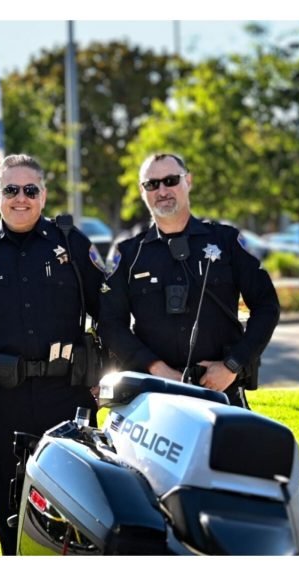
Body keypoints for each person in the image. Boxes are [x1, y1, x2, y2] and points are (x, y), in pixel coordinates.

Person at [0, 153, 106, 554]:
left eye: (30, 190)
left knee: (76, 502)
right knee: (8, 501)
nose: (21, 198)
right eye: (11, 190)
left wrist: (103, 377)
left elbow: (109, 314)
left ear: (44, 195)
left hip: (68, 395)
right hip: (0, 399)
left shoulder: (72, 243)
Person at [98, 152, 280, 408]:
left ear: (188, 181)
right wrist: (157, 369)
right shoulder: (128, 252)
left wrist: (232, 365)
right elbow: (110, 323)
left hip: (221, 391)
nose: (162, 190)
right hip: (152, 395)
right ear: (143, 191)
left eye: (171, 180)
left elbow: (266, 305)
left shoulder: (225, 241)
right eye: (152, 184)